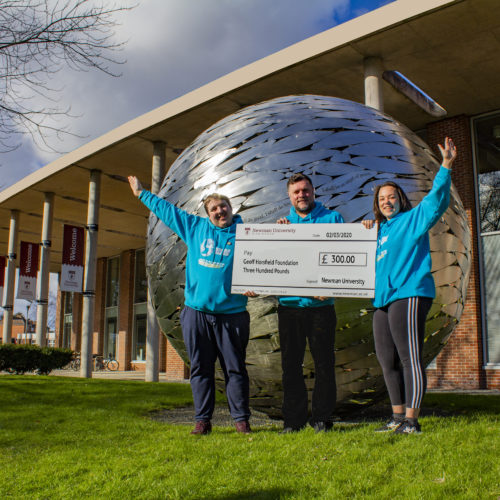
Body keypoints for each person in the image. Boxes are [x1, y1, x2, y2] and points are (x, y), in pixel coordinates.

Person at [128, 176, 251, 435]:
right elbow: (167, 211)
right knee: (200, 369)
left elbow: (272, 260)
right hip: (197, 314)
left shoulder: (248, 235)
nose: (220, 211)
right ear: (208, 214)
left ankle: (241, 420)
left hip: (232, 315)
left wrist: (257, 283)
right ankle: (202, 421)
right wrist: (141, 193)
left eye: (223, 206)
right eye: (214, 209)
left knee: (235, 369)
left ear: (231, 208)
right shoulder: (195, 228)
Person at [362, 137, 457, 434]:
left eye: (391, 197)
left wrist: (446, 166)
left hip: (410, 294)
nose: (386, 202)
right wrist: (364, 232)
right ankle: (397, 417)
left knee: (408, 357)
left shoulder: (413, 219)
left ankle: (412, 421)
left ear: (400, 199)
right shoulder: (377, 232)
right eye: (381, 199)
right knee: (386, 359)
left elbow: (436, 201)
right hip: (383, 301)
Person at [276, 173, 344, 433]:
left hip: (321, 309)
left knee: (324, 364)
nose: (301, 195)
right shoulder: (283, 224)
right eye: (296, 192)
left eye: (305, 190)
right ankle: (293, 421)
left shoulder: (333, 219)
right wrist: (277, 236)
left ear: (313, 191)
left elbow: (345, 257)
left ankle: (322, 419)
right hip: (290, 307)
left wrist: (333, 286)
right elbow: (274, 263)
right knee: (290, 366)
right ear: (289, 196)